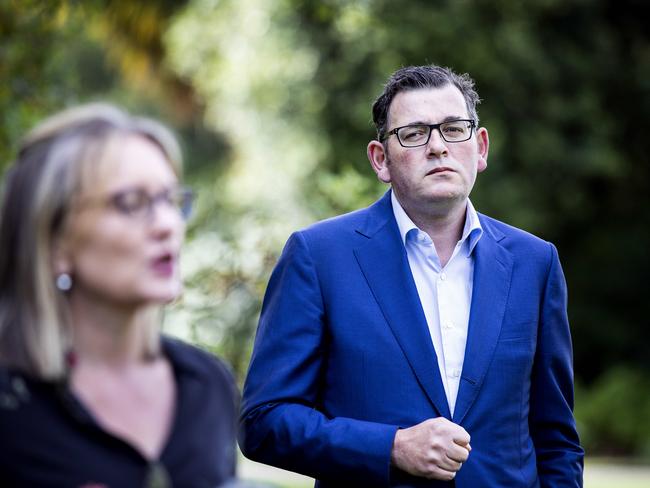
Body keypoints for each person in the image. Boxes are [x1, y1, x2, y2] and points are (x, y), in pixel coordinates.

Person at [239, 65, 584, 487]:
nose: (438, 146)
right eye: (414, 133)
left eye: (454, 129)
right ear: (380, 159)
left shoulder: (536, 262)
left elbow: (557, 442)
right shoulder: (318, 257)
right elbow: (264, 421)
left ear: (480, 147)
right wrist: (392, 447)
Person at [0, 103, 238, 487]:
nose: (167, 225)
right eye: (131, 203)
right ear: (55, 242)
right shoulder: (11, 402)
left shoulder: (207, 384)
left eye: (171, 201)